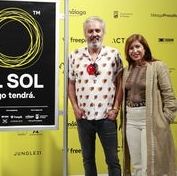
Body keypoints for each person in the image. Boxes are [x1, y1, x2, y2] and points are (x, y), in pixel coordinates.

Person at [68, 16, 123, 176]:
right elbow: (71, 83)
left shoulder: (113, 54)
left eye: (97, 30)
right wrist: (75, 108)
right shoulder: (74, 55)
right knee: (88, 159)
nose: (94, 34)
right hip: (84, 117)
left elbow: (120, 83)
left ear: (103, 32)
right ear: (85, 33)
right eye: (90, 31)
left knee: (113, 160)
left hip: (107, 117)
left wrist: (115, 108)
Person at [121, 34, 177, 176]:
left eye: (138, 46)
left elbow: (169, 95)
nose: (135, 51)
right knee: (137, 166)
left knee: (149, 166)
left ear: (145, 48)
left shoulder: (158, 66)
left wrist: (165, 119)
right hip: (131, 120)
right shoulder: (126, 70)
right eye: (131, 48)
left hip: (150, 120)